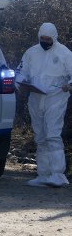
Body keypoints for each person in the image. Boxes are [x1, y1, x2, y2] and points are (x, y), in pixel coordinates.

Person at [15, 22, 72, 187]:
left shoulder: (64, 53)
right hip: (35, 98)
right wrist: (19, 83)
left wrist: (69, 84)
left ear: (54, 38)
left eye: (48, 39)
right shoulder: (31, 52)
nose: (45, 41)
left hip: (56, 98)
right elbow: (21, 71)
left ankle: (58, 174)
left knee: (52, 135)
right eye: (42, 38)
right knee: (40, 136)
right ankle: (43, 174)